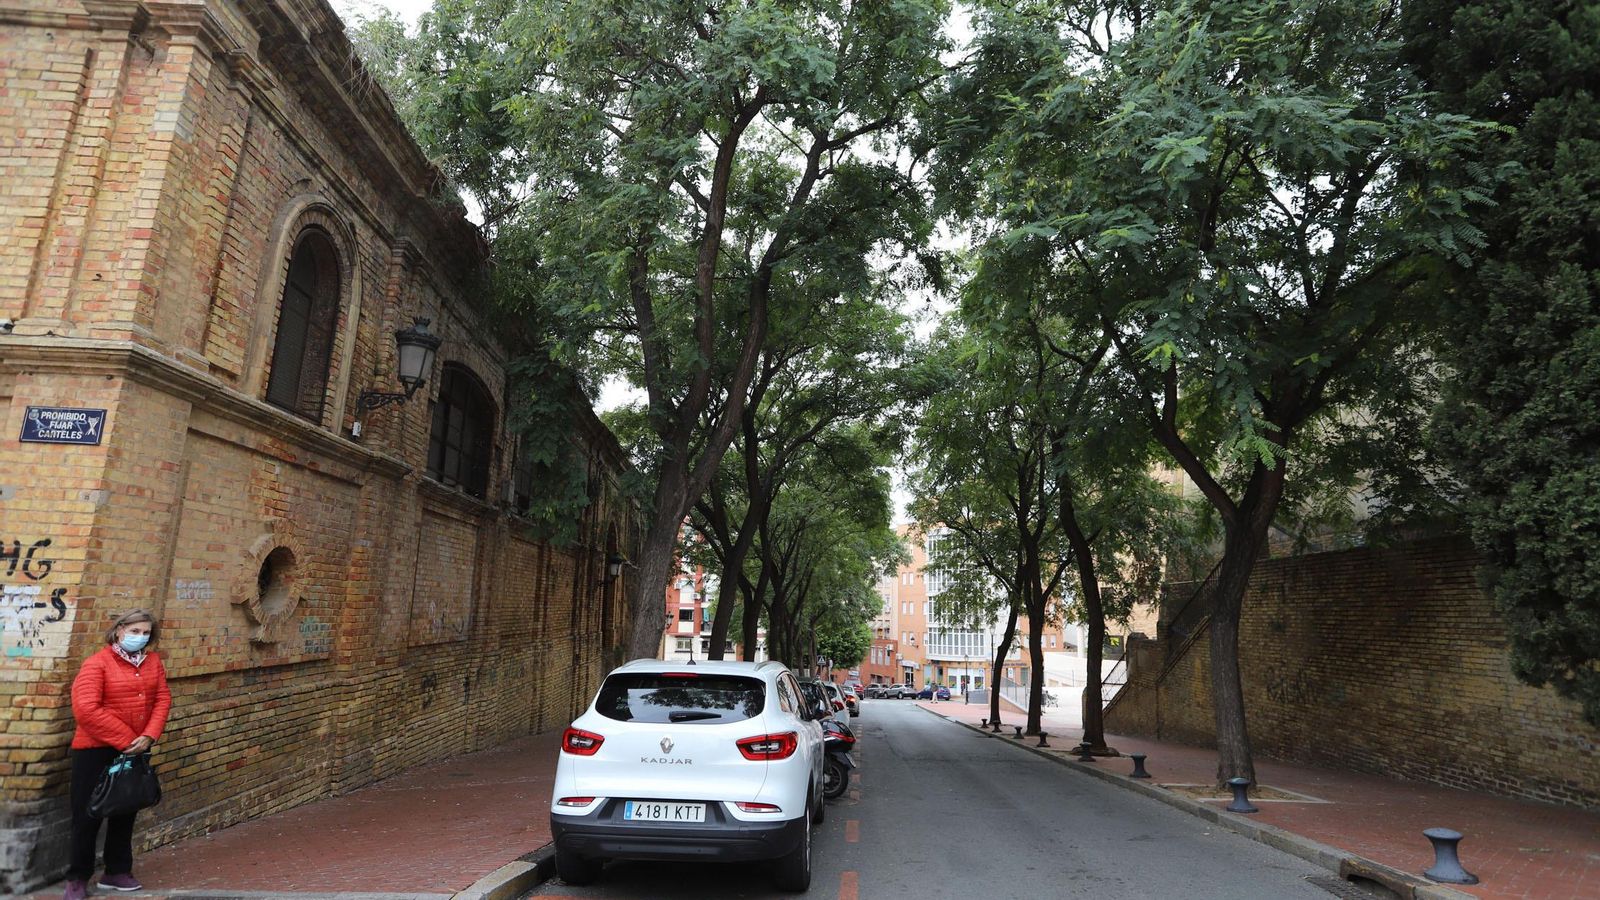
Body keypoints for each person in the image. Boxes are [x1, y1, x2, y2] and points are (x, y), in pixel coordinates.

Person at [64, 610, 171, 899]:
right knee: (87, 814)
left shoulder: (153, 663)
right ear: (119, 630)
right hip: (96, 750)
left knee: (125, 809)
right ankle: (77, 878)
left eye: (146, 632)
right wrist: (127, 739)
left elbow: (162, 698)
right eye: (135, 630)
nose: (141, 637)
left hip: (136, 748)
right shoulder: (97, 664)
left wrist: (149, 735)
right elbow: (86, 709)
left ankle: (117, 871)